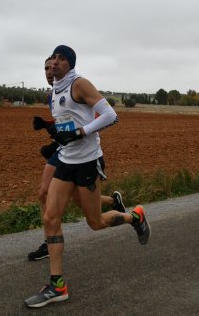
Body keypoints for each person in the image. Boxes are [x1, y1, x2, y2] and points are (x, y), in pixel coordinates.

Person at [24, 45, 150, 308]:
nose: (55, 63)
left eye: (61, 59)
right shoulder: (55, 91)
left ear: (70, 64)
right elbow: (66, 122)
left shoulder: (79, 84)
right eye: (52, 59)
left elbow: (110, 115)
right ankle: (57, 286)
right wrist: (53, 133)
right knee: (50, 216)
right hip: (66, 162)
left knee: (95, 222)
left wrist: (82, 133)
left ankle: (134, 216)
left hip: (87, 163)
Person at [27, 56, 126, 261]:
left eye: (51, 66)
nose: (48, 70)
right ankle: (50, 238)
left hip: (79, 152)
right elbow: (63, 125)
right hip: (64, 150)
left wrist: (70, 135)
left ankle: (112, 204)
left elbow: (87, 121)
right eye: (45, 68)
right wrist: (48, 128)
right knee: (44, 193)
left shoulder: (76, 86)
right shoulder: (52, 95)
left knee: (80, 203)